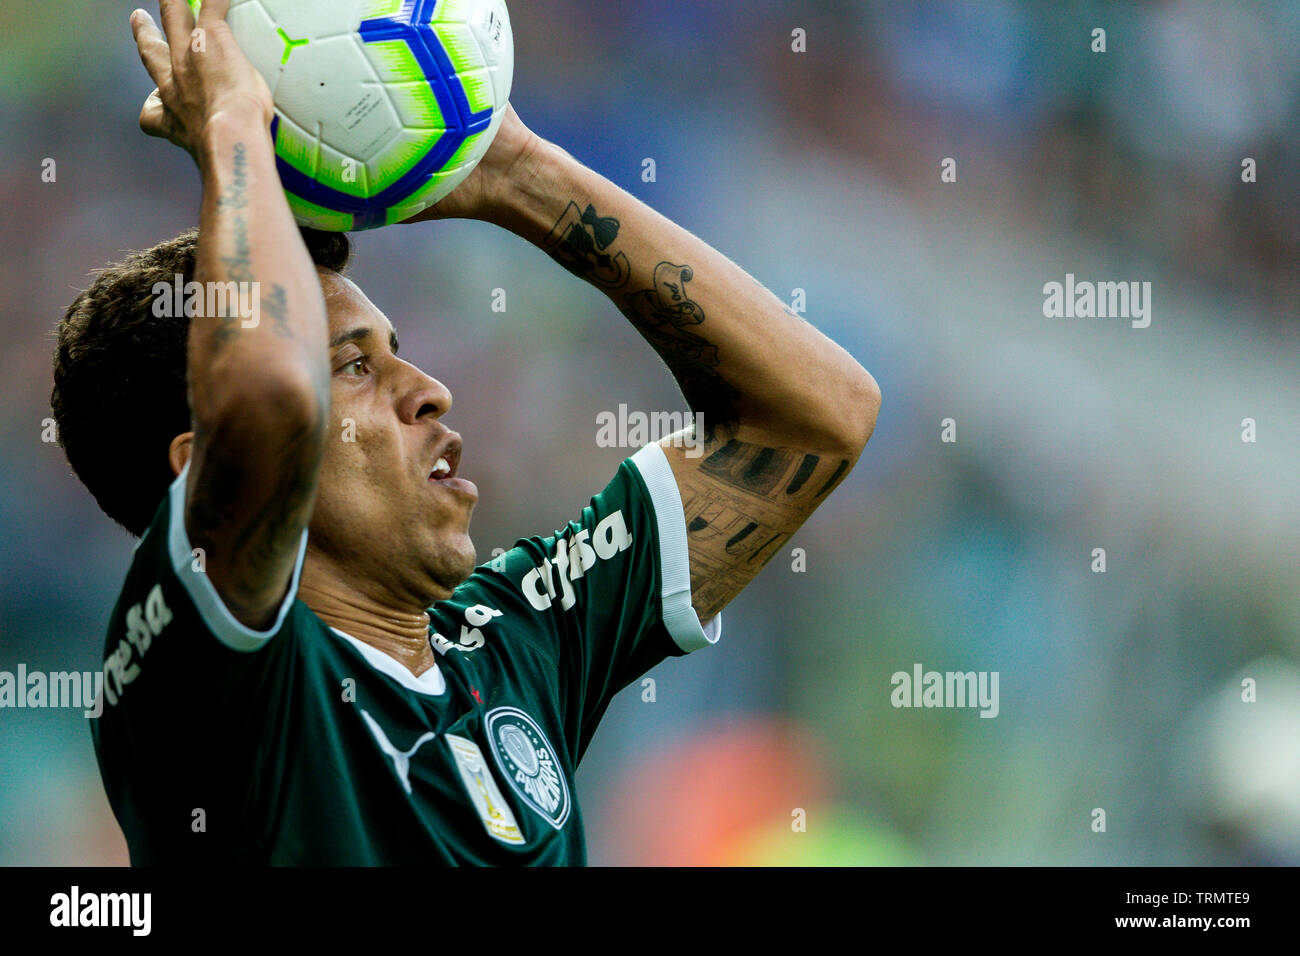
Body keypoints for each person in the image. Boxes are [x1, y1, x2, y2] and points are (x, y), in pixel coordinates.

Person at [51, 0, 880, 863]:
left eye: (398, 352)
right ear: (201, 473)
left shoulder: (517, 641)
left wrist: (519, 174)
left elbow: (819, 418)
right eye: (353, 366)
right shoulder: (199, 675)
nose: (431, 392)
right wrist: (232, 134)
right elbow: (267, 409)